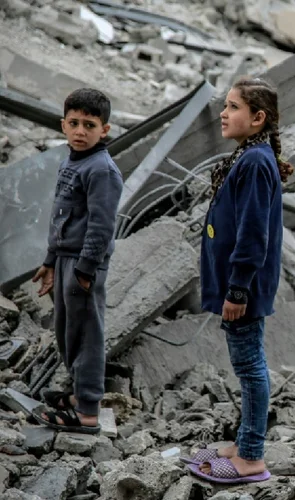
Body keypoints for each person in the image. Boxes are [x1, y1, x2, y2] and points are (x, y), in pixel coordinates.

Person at [182, 77, 293, 484]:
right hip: (239, 284)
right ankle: (245, 441)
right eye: (225, 106)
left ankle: (251, 458)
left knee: (250, 368)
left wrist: (237, 288)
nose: (223, 114)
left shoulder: (256, 161)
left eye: (232, 107)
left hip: (243, 288)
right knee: (247, 365)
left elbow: (253, 234)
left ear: (258, 117)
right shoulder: (250, 156)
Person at [32, 88, 123, 434]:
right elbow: (62, 216)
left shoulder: (102, 171)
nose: (81, 131)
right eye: (74, 123)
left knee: (86, 335)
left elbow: (102, 226)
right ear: (63, 125)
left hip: (85, 265)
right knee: (66, 333)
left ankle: (87, 412)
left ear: (106, 130)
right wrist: (51, 260)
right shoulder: (72, 160)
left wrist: (84, 271)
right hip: (67, 260)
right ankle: (80, 395)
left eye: (90, 124)